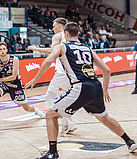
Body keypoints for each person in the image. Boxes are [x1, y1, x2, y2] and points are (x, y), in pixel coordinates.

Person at [25, 22, 137, 159]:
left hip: (80, 87)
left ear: (65, 34)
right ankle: (129, 141)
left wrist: (36, 79)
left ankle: (53, 153)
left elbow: (48, 61)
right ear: (78, 33)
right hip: (96, 86)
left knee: (50, 115)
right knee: (104, 118)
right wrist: (105, 90)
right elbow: (107, 70)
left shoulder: (62, 46)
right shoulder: (88, 48)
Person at [28, 18, 77, 136]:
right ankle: (68, 123)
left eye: (54, 26)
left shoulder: (58, 36)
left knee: (49, 96)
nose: (52, 28)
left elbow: (52, 51)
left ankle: (67, 122)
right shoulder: (73, 37)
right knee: (61, 97)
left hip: (62, 72)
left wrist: (36, 48)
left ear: (60, 27)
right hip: (73, 73)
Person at [0, 42, 46, 128]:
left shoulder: (14, 59)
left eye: (4, 49)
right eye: (0, 49)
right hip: (4, 83)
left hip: (15, 84)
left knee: (27, 108)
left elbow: (13, 76)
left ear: (6, 50)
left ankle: (38, 112)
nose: (2, 51)